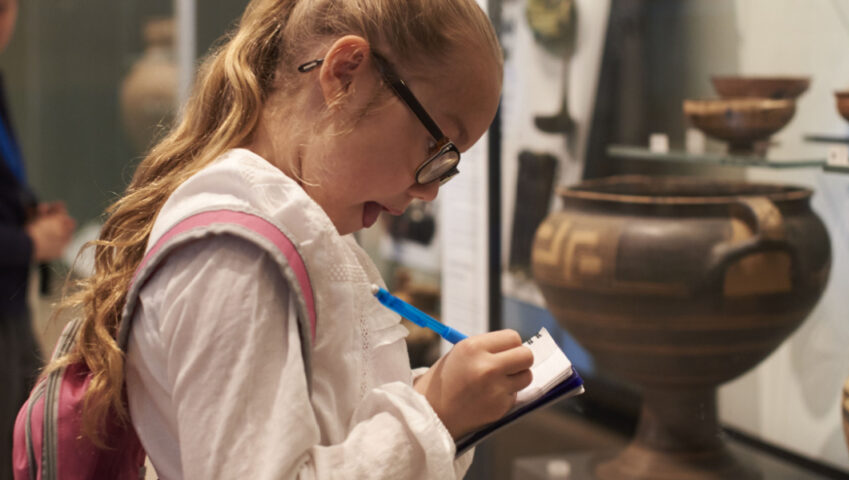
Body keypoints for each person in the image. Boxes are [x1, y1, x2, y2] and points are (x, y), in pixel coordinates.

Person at [47, 0, 528, 478]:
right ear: (345, 74)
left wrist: (438, 400)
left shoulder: (293, 234)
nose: (429, 190)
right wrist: (436, 414)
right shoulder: (235, 257)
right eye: (435, 147)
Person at [0, 0, 75, 478]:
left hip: (10, 307)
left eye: (7, 10)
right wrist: (29, 243)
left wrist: (27, 210)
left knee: (34, 443)